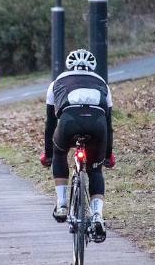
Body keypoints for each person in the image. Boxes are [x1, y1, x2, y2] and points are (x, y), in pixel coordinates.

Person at [40, 49, 116, 243]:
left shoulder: (56, 83)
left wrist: (48, 154)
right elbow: (109, 125)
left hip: (68, 123)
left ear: (69, 66)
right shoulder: (102, 83)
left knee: (59, 153)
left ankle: (62, 203)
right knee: (95, 170)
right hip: (97, 126)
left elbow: (50, 124)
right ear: (92, 67)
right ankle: (97, 215)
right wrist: (107, 155)